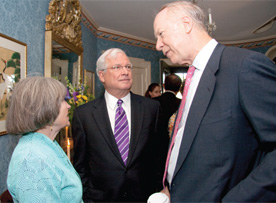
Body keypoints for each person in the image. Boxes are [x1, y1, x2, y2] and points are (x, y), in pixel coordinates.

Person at [153, 1, 276, 202]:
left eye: (160, 34)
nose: (157, 44)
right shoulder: (193, 79)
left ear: (186, 24)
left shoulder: (244, 66)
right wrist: (169, 186)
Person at [72, 48, 165, 202]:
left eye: (128, 67)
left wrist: (158, 190)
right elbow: (81, 165)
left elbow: (160, 155)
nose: (125, 72)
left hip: (144, 196)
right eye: (117, 67)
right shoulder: (84, 115)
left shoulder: (151, 109)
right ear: (101, 75)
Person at [6, 76, 83, 202]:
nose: (68, 106)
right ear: (44, 109)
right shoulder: (32, 159)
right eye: (62, 101)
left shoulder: (47, 143)